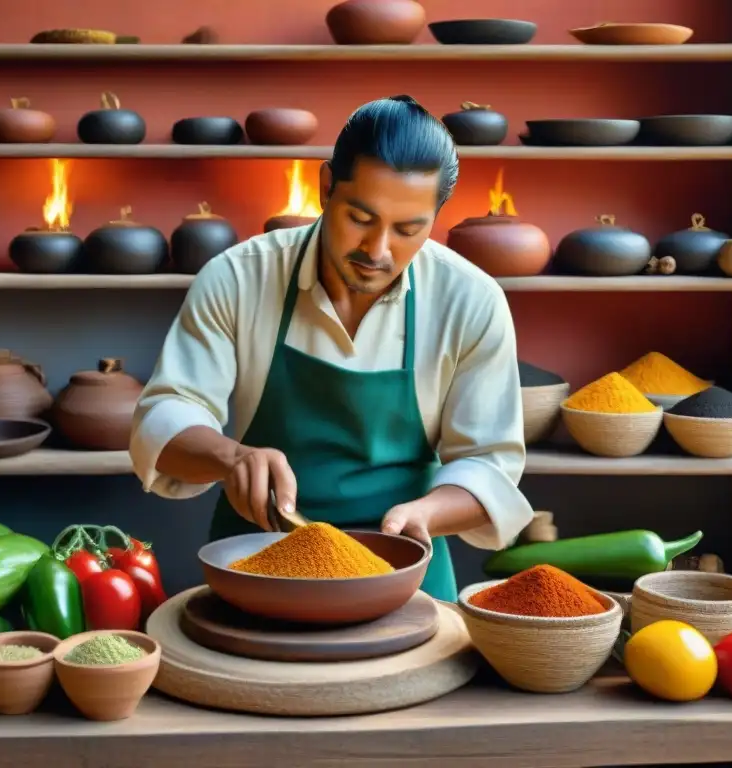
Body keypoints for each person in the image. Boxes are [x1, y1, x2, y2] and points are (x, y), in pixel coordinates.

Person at [129, 95, 533, 601]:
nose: (378, 250)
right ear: (325, 188)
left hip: (404, 575)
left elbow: (489, 464)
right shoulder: (238, 278)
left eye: (409, 229)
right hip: (256, 562)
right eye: (361, 218)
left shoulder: (470, 300)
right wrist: (231, 458)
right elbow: (164, 418)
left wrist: (425, 513)